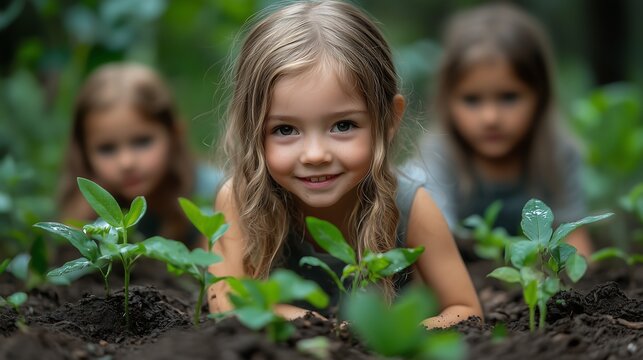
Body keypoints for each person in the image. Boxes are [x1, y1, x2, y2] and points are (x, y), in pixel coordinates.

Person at [208, 0, 482, 329]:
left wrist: (398, 335)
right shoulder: (240, 202)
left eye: (342, 126)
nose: (315, 154)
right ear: (251, 129)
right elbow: (224, 302)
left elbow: (466, 309)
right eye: (285, 129)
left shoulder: (410, 207)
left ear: (388, 120)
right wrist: (309, 325)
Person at [403, 3, 593, 258]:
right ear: (447, 100)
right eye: (471, 100)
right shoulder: (439, 153)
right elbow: (433, 240)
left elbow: (574, 237)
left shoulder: (557, 153)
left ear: (540, 95)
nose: (490, 118)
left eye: (509, 97)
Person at [58, 62, 223, 248]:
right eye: (107, 149)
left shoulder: (214, 192)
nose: (126, 162)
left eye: (142, 141)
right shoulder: (90, 203)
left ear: (175, 134)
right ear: (84, 151)